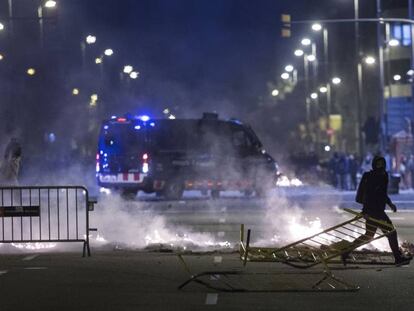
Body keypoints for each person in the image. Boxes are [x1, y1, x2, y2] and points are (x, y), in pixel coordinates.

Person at [342, 156, 412, 266]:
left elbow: (382, 194)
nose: (381, 166)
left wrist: (390, 204)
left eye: (382, 164)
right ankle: (398, 258)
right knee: (391, 233)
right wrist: (365, 211)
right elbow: (367, 195)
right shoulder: (372, 176)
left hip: (377, 210)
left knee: (369, 235)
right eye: (378, 164)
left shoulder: (384, 176)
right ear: (374, 165)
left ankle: (345, 252)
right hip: (374, 211)